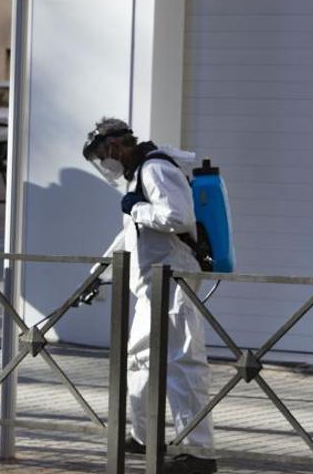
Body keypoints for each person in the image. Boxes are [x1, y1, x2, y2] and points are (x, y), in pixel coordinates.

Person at [82, 117, 216, 474]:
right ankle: (145, 436)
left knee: (183, 362)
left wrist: (135, 207)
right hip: (152, 286)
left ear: (114, 146)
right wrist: (97, 273)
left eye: (101, 155)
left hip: (174, 280)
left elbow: (178, 217)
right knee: (140, 358)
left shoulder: (155, 169)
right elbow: (130, 237)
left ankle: (198, 452)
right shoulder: (138, 175)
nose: (102, 164)